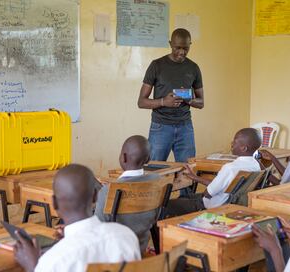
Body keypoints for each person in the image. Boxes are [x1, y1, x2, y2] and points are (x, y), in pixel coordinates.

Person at [14, 164, 141, 272]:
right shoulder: (126, 236)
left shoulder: (54, 261)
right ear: (95, 196)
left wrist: (34, 267)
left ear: (55, 203)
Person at [137, 28, 204, 166]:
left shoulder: (193, 68)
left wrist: (189, 100)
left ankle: (186, 189)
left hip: (185, 127)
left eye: (185, 48)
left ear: (190, 44)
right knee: (155, 170)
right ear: (170, 44)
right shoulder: (157, 65)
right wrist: (163, 101)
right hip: (160, 127)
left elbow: (201, 102)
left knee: (188, 171)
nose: (181, 52)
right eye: (177, 48)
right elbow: (141, 102)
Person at [165, 128, 262, 217]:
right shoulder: (255, 165)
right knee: (184, 197)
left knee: (167, 204)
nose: (232, 143)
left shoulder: (230, 168)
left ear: (243, 148)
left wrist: (204, 193)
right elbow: (220, 186)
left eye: (235, 141)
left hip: (214, 206)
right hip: (230, 202)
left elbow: (208, 193)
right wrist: (195, 177)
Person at [95, 135, 159, 254]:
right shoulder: (157, 181)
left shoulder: (107, 192)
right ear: (148, 159)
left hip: (115, 255)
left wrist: (102, 192)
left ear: (123, 157)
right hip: (140, 248)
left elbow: (98, 228)